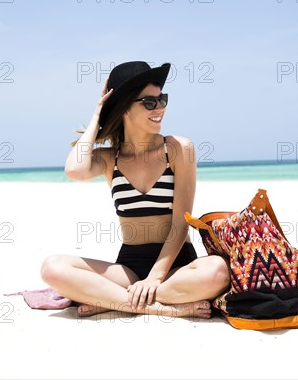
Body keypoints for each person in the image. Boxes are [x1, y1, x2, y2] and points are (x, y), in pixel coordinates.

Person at [40, 61, 230, 319]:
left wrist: (154, 278)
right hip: (129, 268)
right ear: (125, 108)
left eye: (162, 99)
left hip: (176, 266)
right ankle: (156, 306)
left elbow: (180, 223)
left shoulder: (177, 149)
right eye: (149, 102)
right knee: (52, 267)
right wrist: (98, 113)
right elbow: (75, 170)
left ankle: (113, 300)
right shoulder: (110, 159)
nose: (160, 108)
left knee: (217, 271)